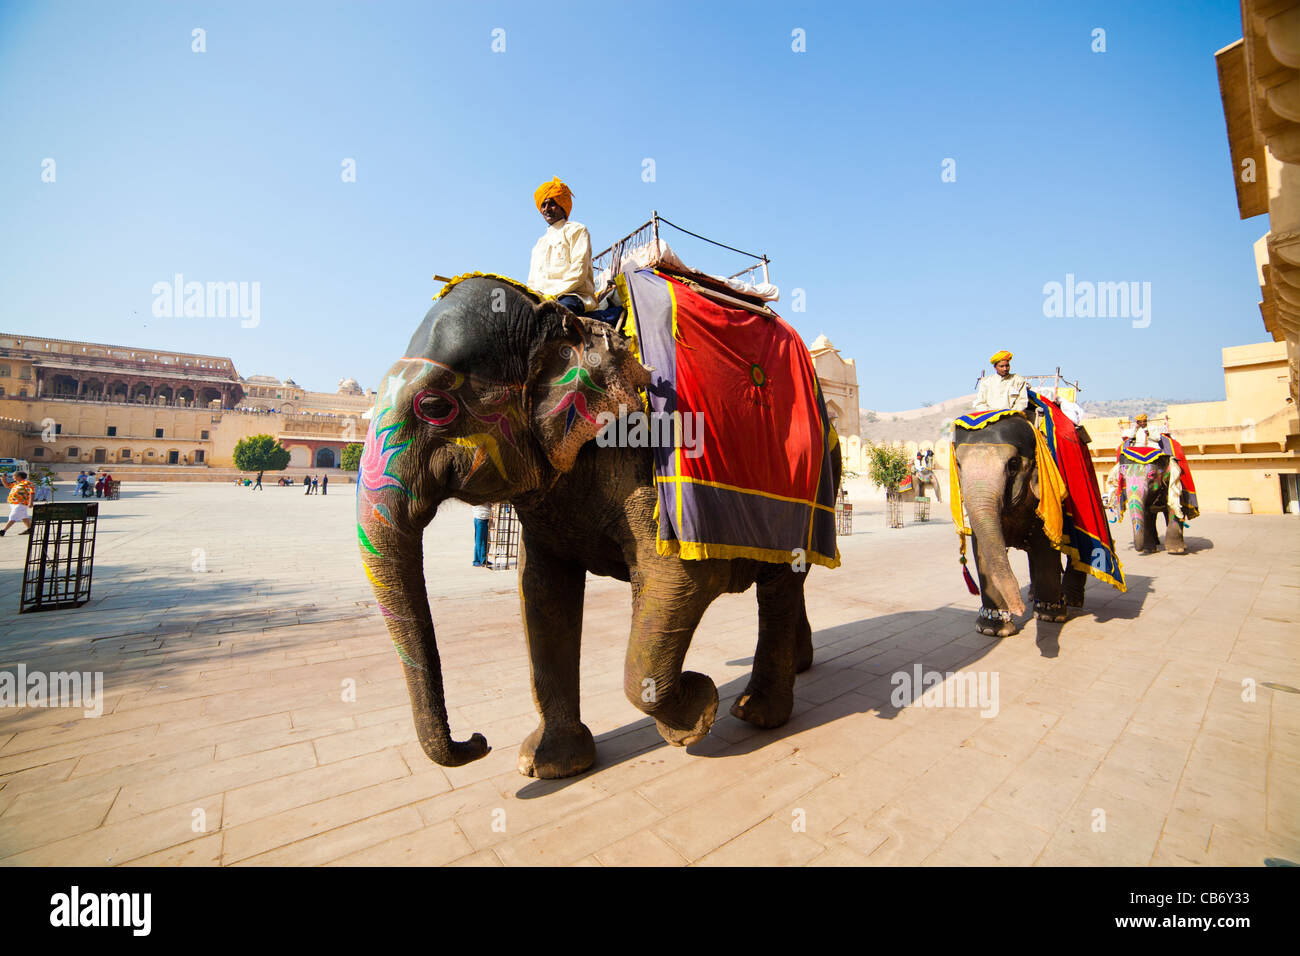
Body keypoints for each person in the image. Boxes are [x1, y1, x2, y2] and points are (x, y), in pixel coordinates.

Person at [527, 177, 597, 316]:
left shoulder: (577, 230)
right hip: (543, 302)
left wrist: (552, 295)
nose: (546, 209)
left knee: (553, 317)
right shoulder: (539, 245)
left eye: (552, 203)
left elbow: (578, 274)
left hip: (573, 296)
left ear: (562, 205)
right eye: (543, 205)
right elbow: (532, 283)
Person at [0, 470, 35, 537]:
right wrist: (3, 479)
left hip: (21, 503)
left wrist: (31, 502)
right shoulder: (16, 483)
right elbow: (7, 486)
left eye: (14, 476)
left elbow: (32, 492)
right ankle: (30, 529)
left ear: (19, 476)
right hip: (13, 503)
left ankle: (3, 531)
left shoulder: (27, 483)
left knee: (13, 516)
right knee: (24, 516)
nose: (13, 477)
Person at [472, 503, 493, 568]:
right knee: (480, 541)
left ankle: (481, 560)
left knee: (483, 540)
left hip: (483, 517)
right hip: (481, 517)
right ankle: (479, 560)